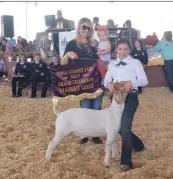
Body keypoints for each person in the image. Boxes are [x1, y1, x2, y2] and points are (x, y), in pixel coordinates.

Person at [104, 38, 148, 172]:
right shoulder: (112, 63)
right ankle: (138, 145)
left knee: (125, 127)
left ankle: (126, 162)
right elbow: (106, 80)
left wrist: (131, 83)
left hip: (131, 96)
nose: (123, 52)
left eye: (126, 49)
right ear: (116, 50)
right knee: (118, 128)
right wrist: (109, 84)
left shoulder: (135, 62)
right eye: (120, 49)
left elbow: (144, 80)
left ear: (129, 50)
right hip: (116, 98)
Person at [61, 17, 105, 145]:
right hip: (82, 83)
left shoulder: (94, 44)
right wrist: (67, 55)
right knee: (85, 109)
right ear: (79, 28)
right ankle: (85, 134)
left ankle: (96, 134)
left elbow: (101, 62)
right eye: (84, 27)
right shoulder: (72, 44)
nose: (86, 30)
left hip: (97, 81)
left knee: (97, 108)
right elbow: (63, 64)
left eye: (89, 27)